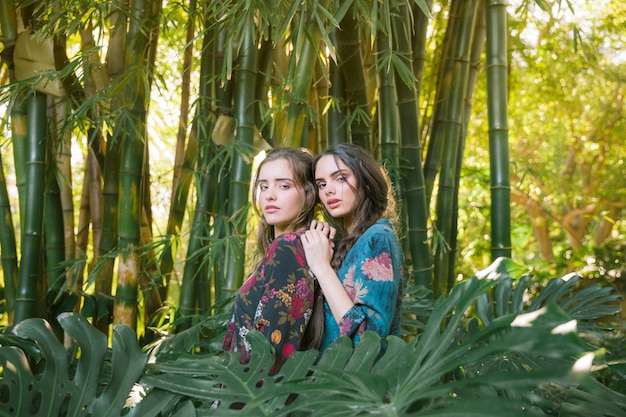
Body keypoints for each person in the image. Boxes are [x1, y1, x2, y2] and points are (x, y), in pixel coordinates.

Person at [222, 147, 332, 373]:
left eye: (284, 185)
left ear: (309, 193)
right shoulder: (303, 245)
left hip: (252, 393)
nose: (269, 195)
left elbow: (269, 346)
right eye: (263, 186)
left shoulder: (288, 248)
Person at [301, 143, 404, 351]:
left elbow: (367, 339)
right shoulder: (345, 243)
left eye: (340, 178)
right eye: (321, 184)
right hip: (329, 377)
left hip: (358, 380)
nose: (328, 189)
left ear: (365, 181)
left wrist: (321, 267)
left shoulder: (378, 238)